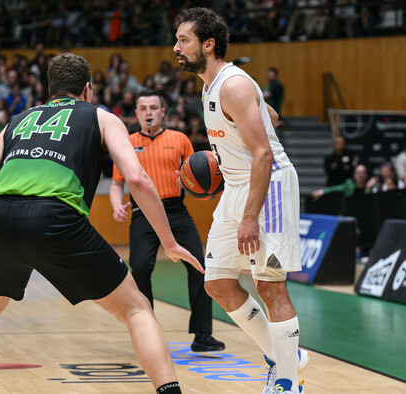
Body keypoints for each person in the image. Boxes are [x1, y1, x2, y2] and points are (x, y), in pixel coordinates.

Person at [0, 53, 202, 394]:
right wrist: (169, 241)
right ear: (88, 89)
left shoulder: (17, 120)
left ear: (50, 91)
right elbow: (136, 178)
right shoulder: (102, 118)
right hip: (55, 218)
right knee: (137, 309)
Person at [174, 8, 307, 394]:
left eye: (184, 40)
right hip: (235, 186)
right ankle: (287, 356)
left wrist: (250, 217)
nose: (176, 47)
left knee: (270, 286)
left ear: (208, 44)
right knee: (216, 284)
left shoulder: (232, 85)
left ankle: (287, 382)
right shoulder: (211, 84)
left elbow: (264, 154)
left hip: (269, 189)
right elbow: (272, 116)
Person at [109, 90, 224, 352]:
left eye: (153, 107)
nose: (148, 112)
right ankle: (148, 333)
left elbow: (196, 176)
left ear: (163, 112)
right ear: (136, 113)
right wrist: (117, 205)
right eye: (143, 108)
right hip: (142, 213)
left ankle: (202, 335)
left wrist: (185, 180)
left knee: (199, 266)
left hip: (175, 211)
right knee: (139, 268)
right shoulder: (126, 143)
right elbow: (117, 184)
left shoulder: (180, 139)